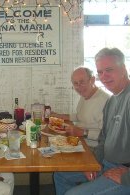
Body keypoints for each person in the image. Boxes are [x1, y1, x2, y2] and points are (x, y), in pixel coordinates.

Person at [54, 48, 130, 195]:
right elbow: (103, 140)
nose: (104, 76)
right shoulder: (112, 101)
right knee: (60, 175)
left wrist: (127, 177)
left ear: (124, 68)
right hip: (105, 164)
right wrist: (93, 163)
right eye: (100, 72)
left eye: (109, 70)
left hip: (122, 172)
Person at [52, 66, 110, 147]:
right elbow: (80, 116)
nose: (79, 87)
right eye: (75, 83)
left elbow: (108, 135)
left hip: (93, 149)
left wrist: (83, 132)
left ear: (92, 80)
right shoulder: (84, 95)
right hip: (79, 141)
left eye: (82, 82)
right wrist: (60, 116)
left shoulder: (105, 101)